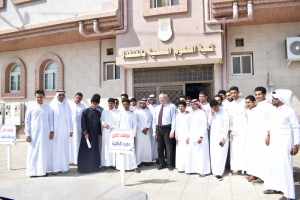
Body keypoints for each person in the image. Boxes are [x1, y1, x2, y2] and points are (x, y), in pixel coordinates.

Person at [263, 89, 300, 200]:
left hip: (285, 144)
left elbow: (296, 128)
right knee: (273, 165)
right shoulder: (275, 110)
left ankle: (289, 195)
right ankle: (276, 187)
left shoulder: (289, 111)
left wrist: (296, 144)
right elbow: (271, 124)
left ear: (282, 99)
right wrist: (268, 135)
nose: (272, 100)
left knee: (285, 167)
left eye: (275, 98)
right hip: (274, 142)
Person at [25, 90, 54, 178]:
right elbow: (27, 121)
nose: (39, 99)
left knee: (44, 151)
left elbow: (50, 120)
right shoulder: (31, 107)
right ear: (35, 97)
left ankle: (42, 171)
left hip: (45, 133)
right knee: (33, 152)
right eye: (37, 97)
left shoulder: (47, 107)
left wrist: (51, 131)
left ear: (44, 97)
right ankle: (32, 172)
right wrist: (27, 133)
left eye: (41, 97)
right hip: (33, 134)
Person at [250, 86, 273, 185]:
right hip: (258, 135)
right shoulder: (259, 105)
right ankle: (261, 176)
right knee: (260, 156)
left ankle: (267, 178)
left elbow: (272, 121)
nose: (257, 96)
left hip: (266, 135)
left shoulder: (268, 105)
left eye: (259, 94)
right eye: (256, 95)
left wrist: (268, 135)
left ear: (264, 94)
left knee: (266, 156)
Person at [48, 90, 73, 175]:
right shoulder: (52, 105)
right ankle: (55, 168)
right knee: (55, 149)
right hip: (56, 132)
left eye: (63, 95)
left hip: (65, 132)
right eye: (60, 95)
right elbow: (50, 119)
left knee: (64, 149)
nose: (61, 96)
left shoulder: (67, 105)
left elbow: (70, 119)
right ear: (57, 96)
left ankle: (64, 168)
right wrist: (51, 130)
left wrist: (71, 130)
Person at [185, 99, 210, 177]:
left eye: (193, 105)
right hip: (193, 136)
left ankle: (203, 171)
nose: (192, 106)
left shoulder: (202, 113)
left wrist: (201, 136)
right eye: (191, 105)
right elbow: (191, 126)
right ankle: (193, 169)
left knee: (201, 154)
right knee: (193, 153)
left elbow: (204, 125)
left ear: (198, 105)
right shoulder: (192, 113)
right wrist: (189, 136)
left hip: (201, 137)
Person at [77, 95, 102, 173]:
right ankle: (84, 168)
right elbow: (83, 123)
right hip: (87, 136)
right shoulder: (85, 111)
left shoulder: (98, 113)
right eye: (93, 103)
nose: (94, 105)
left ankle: (94, 167)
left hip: (95, 136)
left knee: (94, 151)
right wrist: (85, 132)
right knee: (86, 151)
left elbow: (99, 124)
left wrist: (99, 133)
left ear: (97, 105)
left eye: (96, 104)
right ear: (91, 103)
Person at [153, 93, 176, 171]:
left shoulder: (170, 107)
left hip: (167, 128)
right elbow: (154, 120)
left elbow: (173, 120)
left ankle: (170, 164)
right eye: (159, 98)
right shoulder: (157, 108)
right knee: (159, 147)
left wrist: (172, 131)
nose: (161, 100)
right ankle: (162, 162)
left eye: (162, 98)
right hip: (158, 128)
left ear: (166, 98)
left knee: (169, 147)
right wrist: (154, 131)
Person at [116, 99, 140, 173]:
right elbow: (117, 125)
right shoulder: (120, 114)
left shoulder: (133, 114)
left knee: (131, 151)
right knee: (122, 152)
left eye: (126, 104)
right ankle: (121, 167)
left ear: (129, 104)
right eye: (124, 105)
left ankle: (134, 166)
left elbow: (135, 126)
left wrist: (134, 136)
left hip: (130, 135)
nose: (125, 106)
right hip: (121, 136)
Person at [228, 86, 247, 176]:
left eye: (235, 93)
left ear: (238, 92)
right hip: (235, 130)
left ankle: (244, 169)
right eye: (231, 93)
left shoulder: (244, 102)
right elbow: (230, 118)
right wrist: (230, 130)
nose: (233, 95)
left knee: (243, 148)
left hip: (244, 129)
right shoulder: (230, 104)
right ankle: (236, 168)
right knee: (234, 150)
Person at [208, 99, 229, 181]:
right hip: (213, 137)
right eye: (214, 108)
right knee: (214, 154)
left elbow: (226, 125)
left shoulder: (223, 111)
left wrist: (223, 137)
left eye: (216, 107)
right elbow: (208, 124)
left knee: (221, 155)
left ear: (218, 104)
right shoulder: (212, 113)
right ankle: (214, 171)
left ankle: (219, 173)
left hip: (222, 137)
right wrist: (211, 115)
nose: (216, 109)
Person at [100, 98, 120, 171]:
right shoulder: (104, 111)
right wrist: (104, 123)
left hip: (114, 132)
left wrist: (114, 127)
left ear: (114, 104)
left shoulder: (118, 112)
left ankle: (113, 164)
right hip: (106, 131)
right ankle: (104, 164)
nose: (110, 105)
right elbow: (101, 119)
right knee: (105, 148)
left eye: (111, 103)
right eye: (109, 103)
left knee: (113, 147)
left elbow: (119, 122)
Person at [244, 95, 259, 182]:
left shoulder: (258, 110)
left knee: (255, 154)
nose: (247, 104)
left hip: (257, 135)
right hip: (249, 134)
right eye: (246, 102)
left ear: (254, 102)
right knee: (249, 154)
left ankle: (255, 174)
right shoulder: (248, 110)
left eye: (249, 102)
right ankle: (250, 172)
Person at [135, 98, 153, 167]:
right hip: (140, 132)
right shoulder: (136, 111)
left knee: (146, 147)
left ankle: (146, 161)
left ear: (146, 104)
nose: (142, 104)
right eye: (141, 103)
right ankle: (138, 162)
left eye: (144, 103)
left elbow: (150, 120)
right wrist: (142, 129)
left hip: (147, 132)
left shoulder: (148, 111)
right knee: (139, 147)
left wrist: (147, 128)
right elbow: (136, 122)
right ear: (139, 104)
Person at [69, 92, 86, 165]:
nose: (78, 99)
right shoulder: (69, 105)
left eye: (79, 98)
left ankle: (77, 160)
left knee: (78, 143)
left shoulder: (83, 106)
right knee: (70, 143)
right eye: (77, 98)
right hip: (70, 128)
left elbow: (84, 119)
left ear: (81, 99)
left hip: (79, 128)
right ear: (74, 97)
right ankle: (70, 160)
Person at [175, 101, 191, 172]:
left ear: (185, 107)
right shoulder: (177, 116)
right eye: (179, 106)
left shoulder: (189, 115)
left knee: (187, 151)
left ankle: (187, 167)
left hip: (187, 136)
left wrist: (189, 136)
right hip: (180, 136)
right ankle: (180, 167)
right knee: (180, 151)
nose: (180, 108)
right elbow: (176, 126)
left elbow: (191, 127)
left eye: (182, 106)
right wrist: (176, 136)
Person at [147, 94, 159, 164]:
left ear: (155, 99)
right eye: (150, 99)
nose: (152, 100)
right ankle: (150, 158)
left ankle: (157, 157)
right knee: (150, 143)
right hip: (149, 128)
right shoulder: (147, 107)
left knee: (156, 143)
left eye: (153, 99)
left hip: (156, 127)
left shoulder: (158, 107)